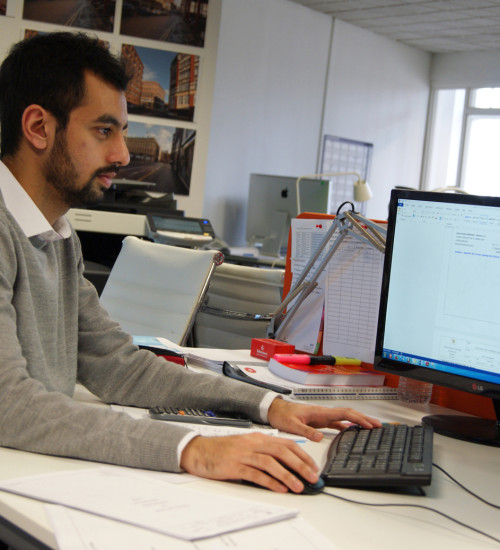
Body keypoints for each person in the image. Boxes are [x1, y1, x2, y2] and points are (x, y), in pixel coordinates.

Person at [0, 31, 380, 494]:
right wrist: (192, 448)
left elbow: (119, 366)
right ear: (39, 127)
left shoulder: (56, 234)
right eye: (104, 130)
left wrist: (266, 405)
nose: (121, 153)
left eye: (121, 131)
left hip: (31, 478)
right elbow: (9, 405)